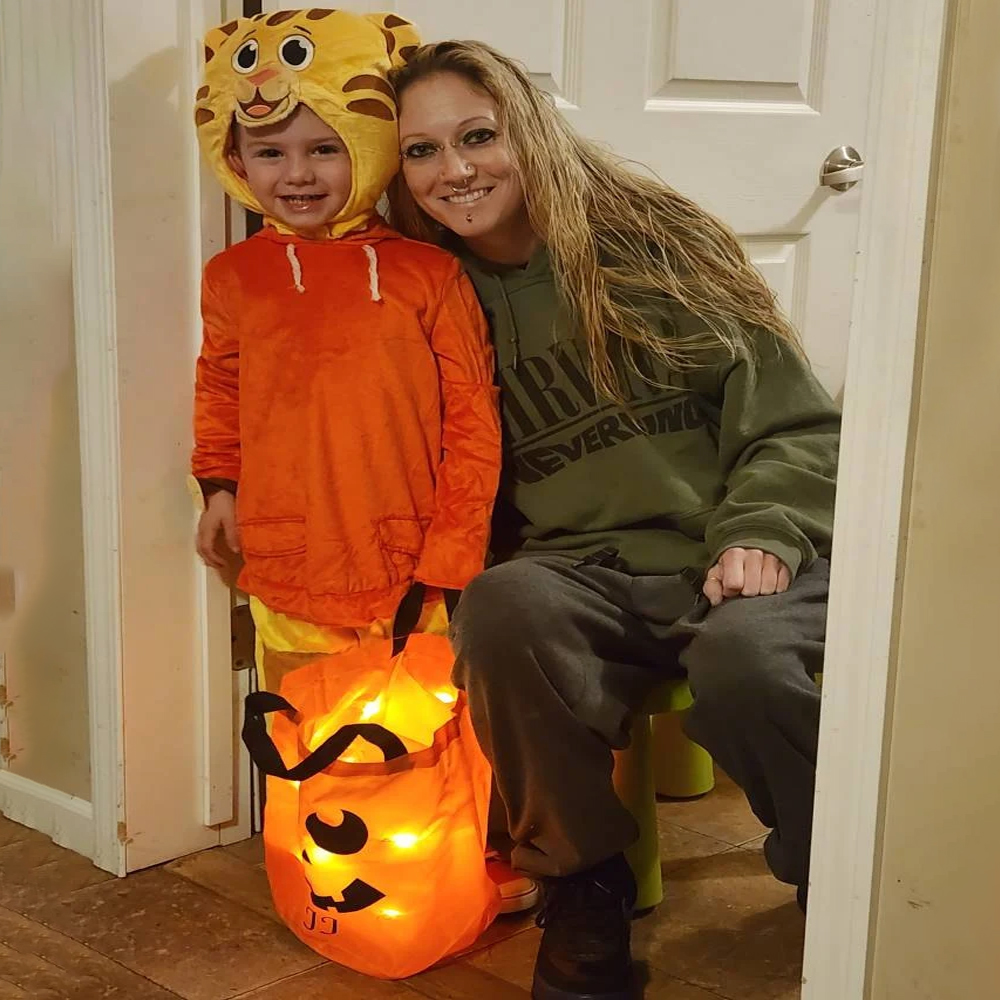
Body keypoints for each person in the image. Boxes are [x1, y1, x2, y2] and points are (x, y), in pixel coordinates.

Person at [389, 41, 839, 1000]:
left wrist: (758, 531)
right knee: (504, 610)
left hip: (740, 551)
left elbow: (795, 423)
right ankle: (583, 889)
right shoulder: (430, 301)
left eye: (478, 136)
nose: (454, 170)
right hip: (582, 573)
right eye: (421, 152)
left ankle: (834, 873)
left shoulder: (660, 248)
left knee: (746, 662)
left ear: (531, 131)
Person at [189, 11, 534, 914]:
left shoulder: (428, 274)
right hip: (286, 562)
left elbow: (474, 420)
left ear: (373, 147)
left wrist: (456, 551)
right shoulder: (232, 277)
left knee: (423, 740)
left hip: (411, 569)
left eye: (323, 149)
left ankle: (443, 880)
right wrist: (217, 486)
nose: (297, 175)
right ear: (234, 158)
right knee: (309, 731)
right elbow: (219, 387)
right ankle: (324, 885)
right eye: (270, 153)